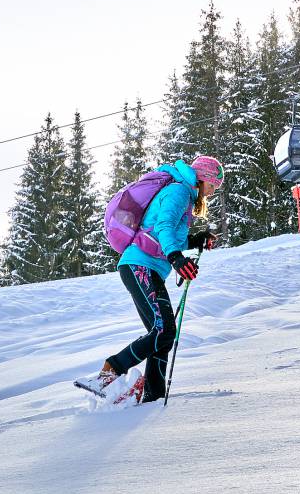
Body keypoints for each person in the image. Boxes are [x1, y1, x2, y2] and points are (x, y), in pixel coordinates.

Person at [90, 155, 223, 404]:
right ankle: (112, 369)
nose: (213, 192)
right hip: (140, 265)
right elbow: (163, 227)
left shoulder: (182, 194)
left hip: (144, 267)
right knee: (165, 330)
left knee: (162, 335)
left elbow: (165, 233)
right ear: (204, 178)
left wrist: (194, 241)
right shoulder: (179, 191)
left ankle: (152, 397)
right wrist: (176, 259)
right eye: (214, 185)